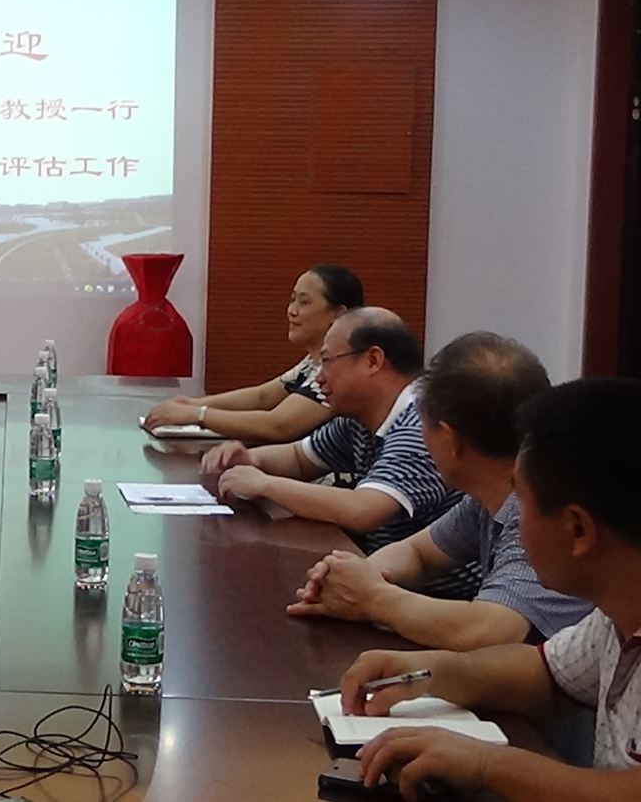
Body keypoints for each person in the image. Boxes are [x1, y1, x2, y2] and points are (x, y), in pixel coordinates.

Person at [340, 378, 641, 800]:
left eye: (522, 501)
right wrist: (427, 674)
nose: (514, 518)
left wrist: (486, 765)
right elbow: (546, 674)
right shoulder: (614, 615)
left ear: (578, 530)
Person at [286, 332, 590, 649]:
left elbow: (489, 629)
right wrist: (354, 577)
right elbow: (419, 554)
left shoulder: (542, 510)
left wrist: (373, 597)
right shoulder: (487, 498)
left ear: (448, 438)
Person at [202, 307, 476, 597]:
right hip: (387, 585)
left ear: (372, 360)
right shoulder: (360, 416)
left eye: (327, 362)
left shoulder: (421, 424)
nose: (319, 378)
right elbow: (300, 458)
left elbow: (363, 510)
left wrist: (265, 485)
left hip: (439, 602)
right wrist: (252, 459)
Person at [144, 264, 363, 443]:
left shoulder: (338, 370)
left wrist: (198, 414)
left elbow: (278, 425)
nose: (292, 310)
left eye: (304, 302)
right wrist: (190, 404)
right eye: (292, 300)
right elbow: (262, 396)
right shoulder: (311, 363)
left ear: (338, 314)